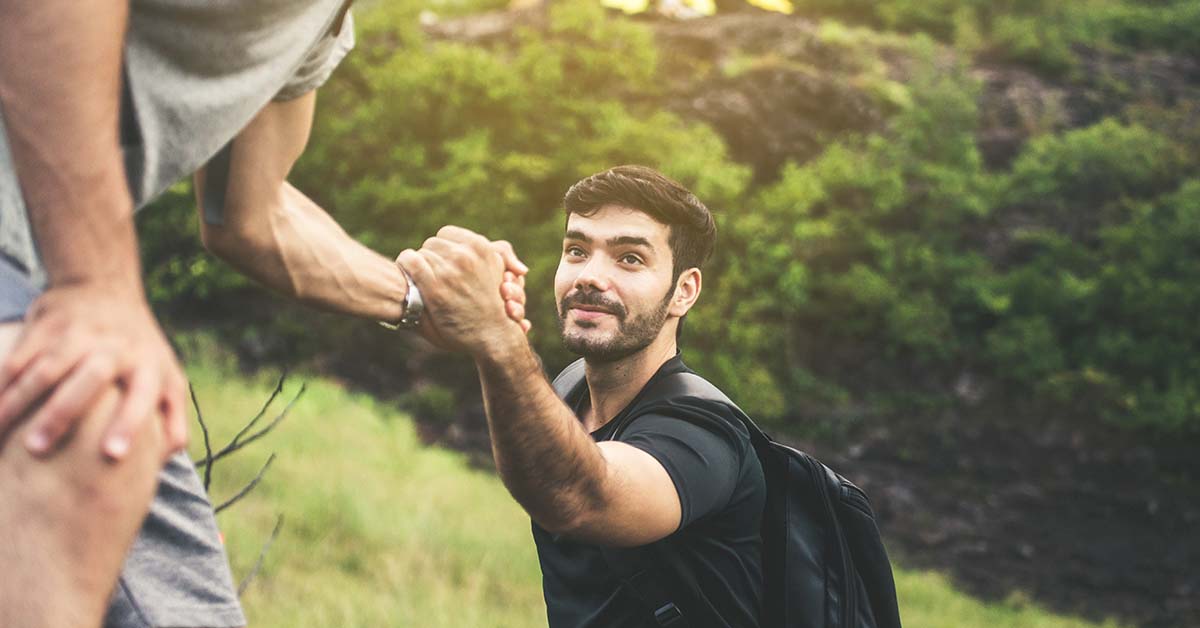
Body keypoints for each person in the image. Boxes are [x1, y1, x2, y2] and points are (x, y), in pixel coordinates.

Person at [0, 3, 528, 627]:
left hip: (29, 273)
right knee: (86, 419)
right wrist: (98, 284)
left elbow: (249, 216)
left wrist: (420, 295)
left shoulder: (321, 22)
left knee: (185, 611)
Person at [398, 165, 766, 627]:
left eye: (629, 258)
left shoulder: (705, 435)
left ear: (684, 292)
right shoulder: (570, 388)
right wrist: (409, 294)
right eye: (576, 250)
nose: (590, 276)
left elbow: (578, 497)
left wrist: (497, 336)